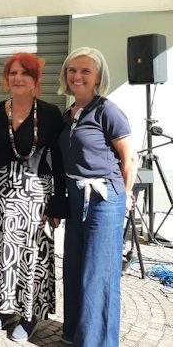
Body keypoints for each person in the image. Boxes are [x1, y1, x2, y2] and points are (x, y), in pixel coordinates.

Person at [0, 52, 67, 342]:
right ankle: (4, 309)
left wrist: (59, 200)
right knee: (2, 252)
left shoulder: (49, 113)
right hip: (1, 190)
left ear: (36, 80)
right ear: (6, 78)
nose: (18, 78)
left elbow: (58, 160)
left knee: (32, 254)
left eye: (26, 74)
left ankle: (30, 314)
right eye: (13, 73)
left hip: (36, 192)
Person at [58, 47, 136, 346]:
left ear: (98, 77)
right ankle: (75, 334)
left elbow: (129, 159)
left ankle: (97, 341)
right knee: (75, 268)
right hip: (77, 197)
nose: (77, 76)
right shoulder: (70, 114)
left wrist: (125, 197)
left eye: (85, 71)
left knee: (98, 274)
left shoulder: (107, 110)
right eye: (72, 70)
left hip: (105, 200)